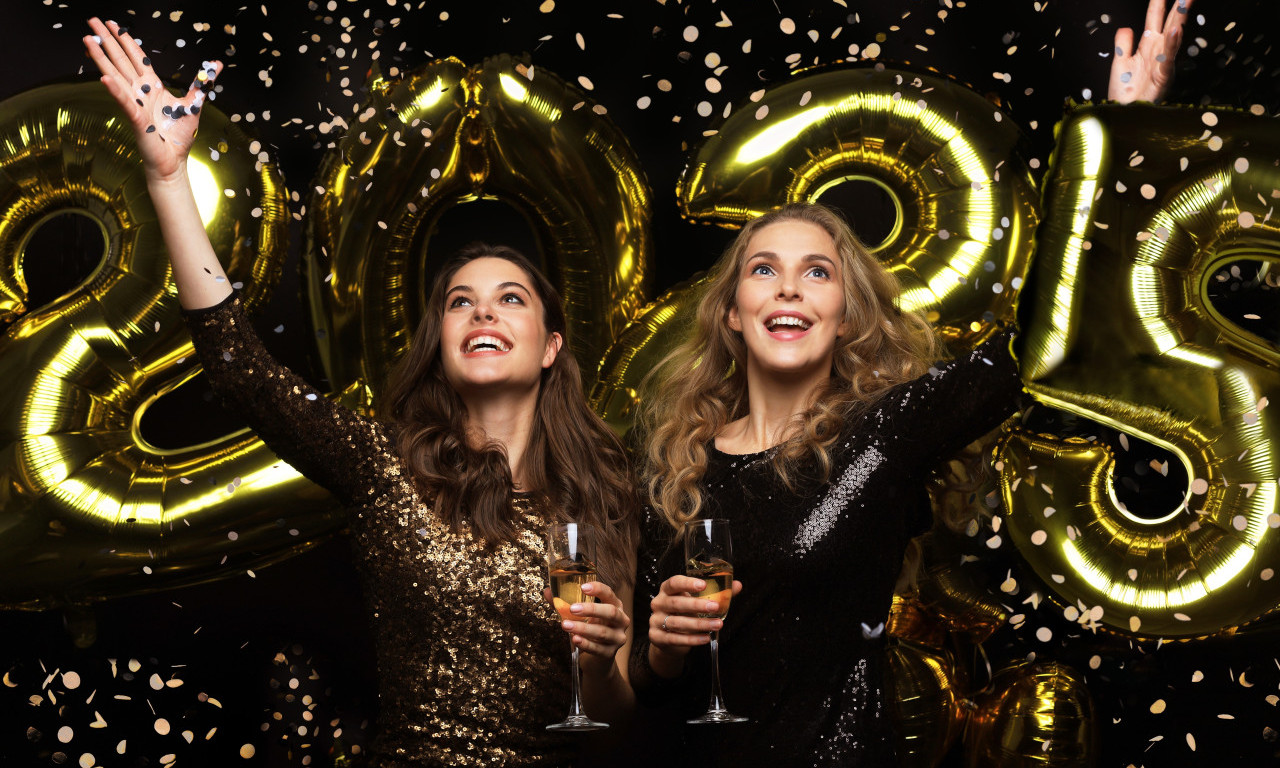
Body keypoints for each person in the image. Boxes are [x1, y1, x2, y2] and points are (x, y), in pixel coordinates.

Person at [628, 2, 1194, 763]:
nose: (789, 287)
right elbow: (645, 695)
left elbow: (1033, 343)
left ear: (845, 317)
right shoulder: (673, 470)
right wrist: (661, 652)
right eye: (764, 270)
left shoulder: (884, 432)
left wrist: (1118, 140)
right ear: (732, 312)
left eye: (817, 273)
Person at [82, 17, 638, 768]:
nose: (483, 312)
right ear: (440, 345)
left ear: (551, 347)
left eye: (511, 300)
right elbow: (241, 368)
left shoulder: (601, 496)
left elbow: (614, 721)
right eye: (460, 302)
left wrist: (601, 664)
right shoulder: (385, 466)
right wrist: (169, 180)